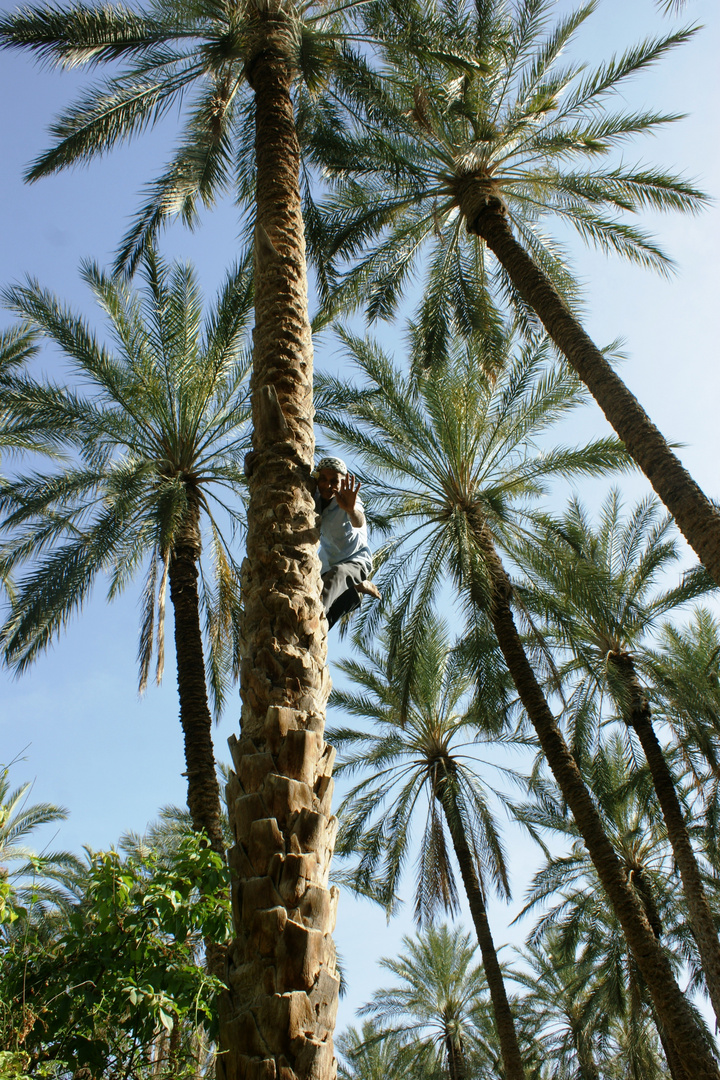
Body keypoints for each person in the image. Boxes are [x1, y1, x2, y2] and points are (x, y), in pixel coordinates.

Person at [313, 456, 381, 629]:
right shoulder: (314, 496)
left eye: (334, 481)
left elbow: (359, 520)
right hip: (326, 563)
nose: (328, 486)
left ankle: (312, 616)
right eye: (323, 479)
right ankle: (353, 592)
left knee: (338, 575)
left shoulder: (347, 498)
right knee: (320, 591)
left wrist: (350, 510)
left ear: (342, 482)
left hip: (355, 561)